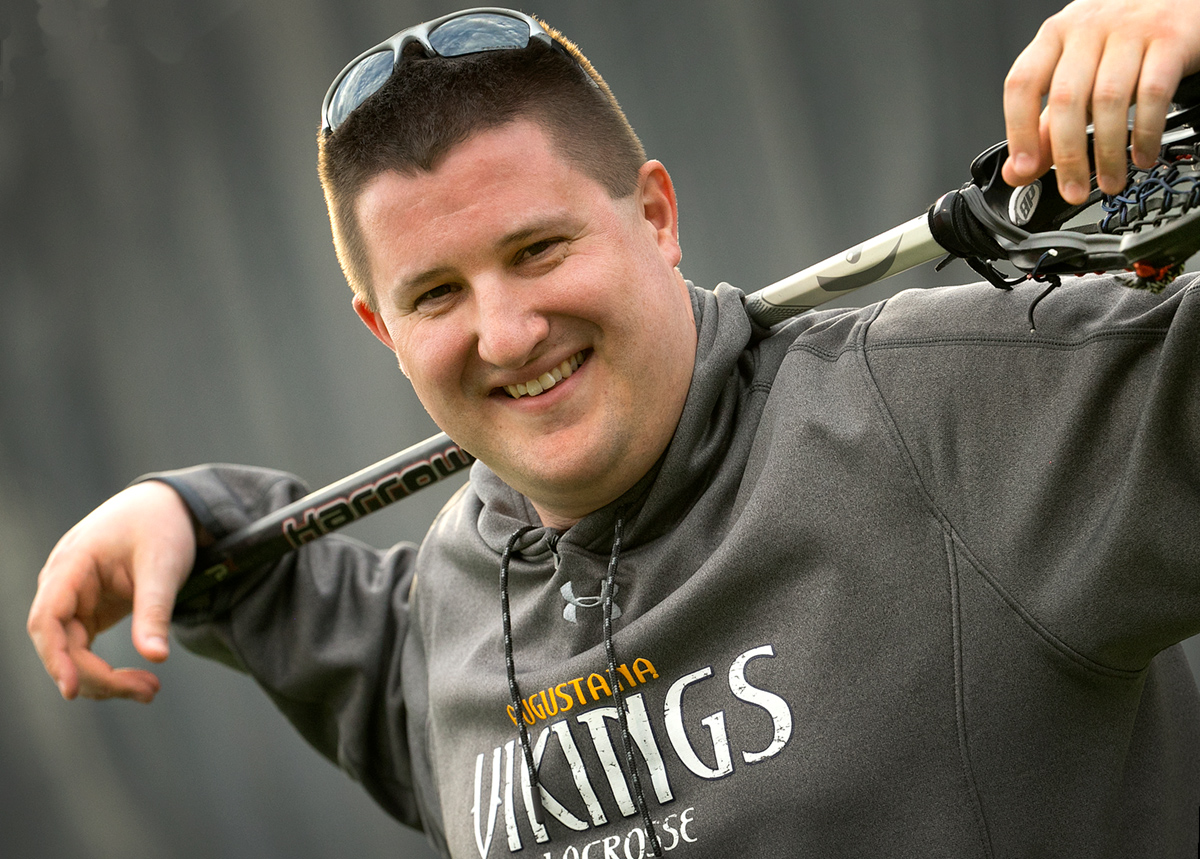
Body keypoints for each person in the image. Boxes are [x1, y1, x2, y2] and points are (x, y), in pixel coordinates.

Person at [26, 1, 1200, 856]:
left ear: (654, 214)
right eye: (436, 295)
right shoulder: (446, 616)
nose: (504, 331)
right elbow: (331, 623)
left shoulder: (956, 412)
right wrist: (189, 514)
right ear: (382, 330)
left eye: (538, 250)